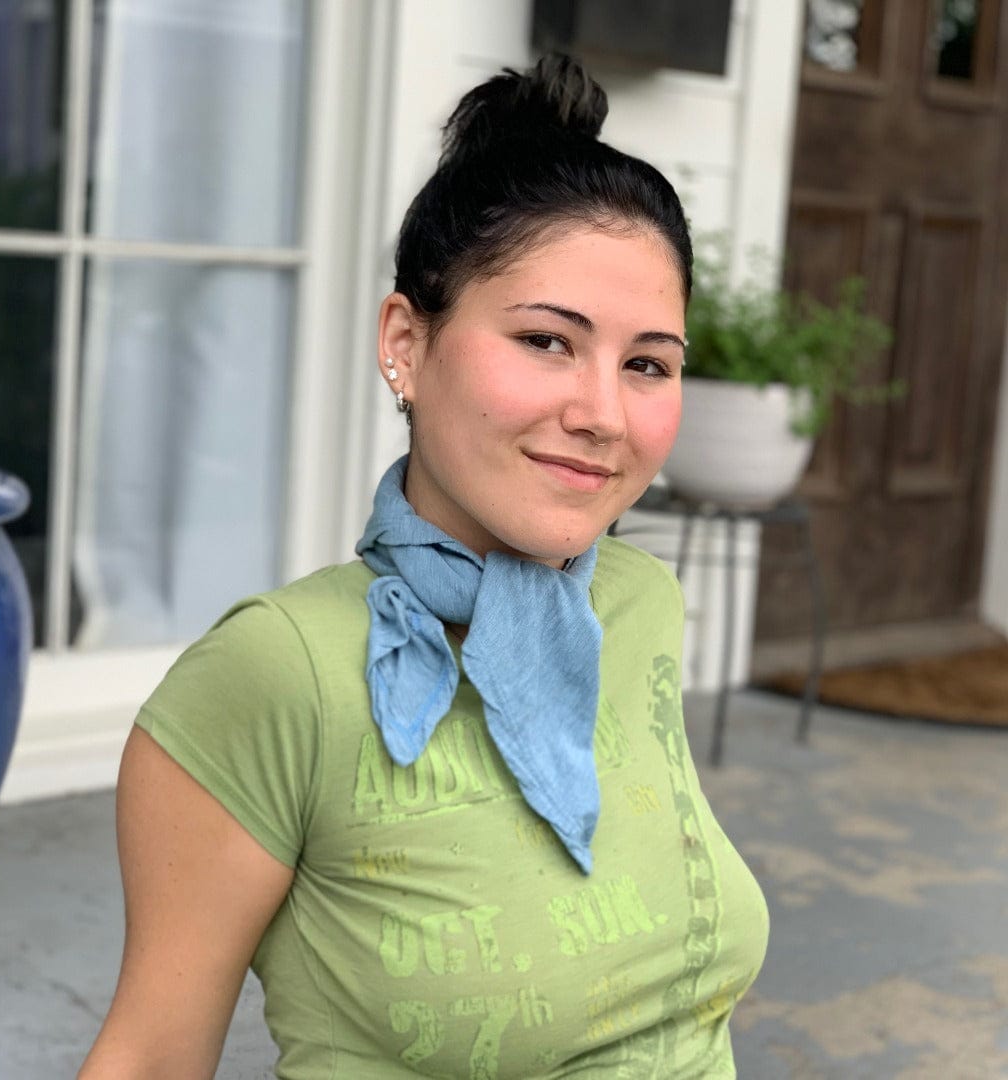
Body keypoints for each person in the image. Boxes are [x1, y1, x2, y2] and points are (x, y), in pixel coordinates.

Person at [80, 53, 768, 1080]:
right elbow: (149, 1056)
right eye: (546, 340)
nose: (602, 413)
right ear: (407, 339)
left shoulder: (638, 603)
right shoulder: (278, 673)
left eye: (647, 364)